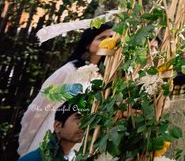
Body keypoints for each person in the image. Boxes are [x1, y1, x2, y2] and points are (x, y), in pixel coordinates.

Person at [18, 23, 114, 155]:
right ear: (87, 44)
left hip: (79, 146)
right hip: (51, 140)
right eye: (101, 37)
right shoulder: (69, 71)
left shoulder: (105, 77)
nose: (108, 41)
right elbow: (38, 110)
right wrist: (25, 147)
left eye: (111, 37)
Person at [17, 103, 84, 160]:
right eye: (78, 119)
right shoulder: (34, 159)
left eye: (85, 120)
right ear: (57, 126)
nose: (83, 125)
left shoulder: (70, 157)